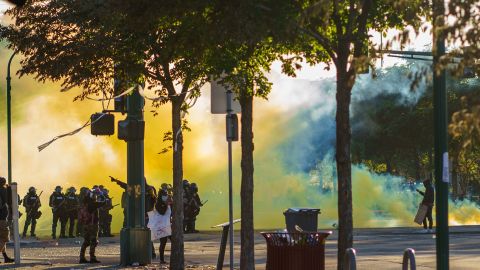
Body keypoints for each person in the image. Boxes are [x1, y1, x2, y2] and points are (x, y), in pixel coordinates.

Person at [78, 188, 106, 263]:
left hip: (85, 225)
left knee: (86, 241)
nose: (95, 197)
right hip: (93, 225)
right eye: (95, 195)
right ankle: (92, 257)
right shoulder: (93, 204)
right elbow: (104, 202)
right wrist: (102, 194)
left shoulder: (85, 203)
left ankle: (81, 257)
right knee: (93, 241)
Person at [150, 183, 172, 264]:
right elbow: (162, 212)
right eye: (166, 197)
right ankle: (161, 259)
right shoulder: (159, 203)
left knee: (172, 241)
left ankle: (164, 259)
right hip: (162, 225)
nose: (168, 198)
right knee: (163, 242)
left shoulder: (165, 202)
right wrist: (166, 204)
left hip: (167, 224)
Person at [0, 177, 14, 263]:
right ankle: (6, 258)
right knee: (4, 238)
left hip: (2, 218)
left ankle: (5, 257)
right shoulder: (3, 190)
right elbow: (10, 200)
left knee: (1, 238)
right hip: (1, 219)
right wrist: (9, 189)